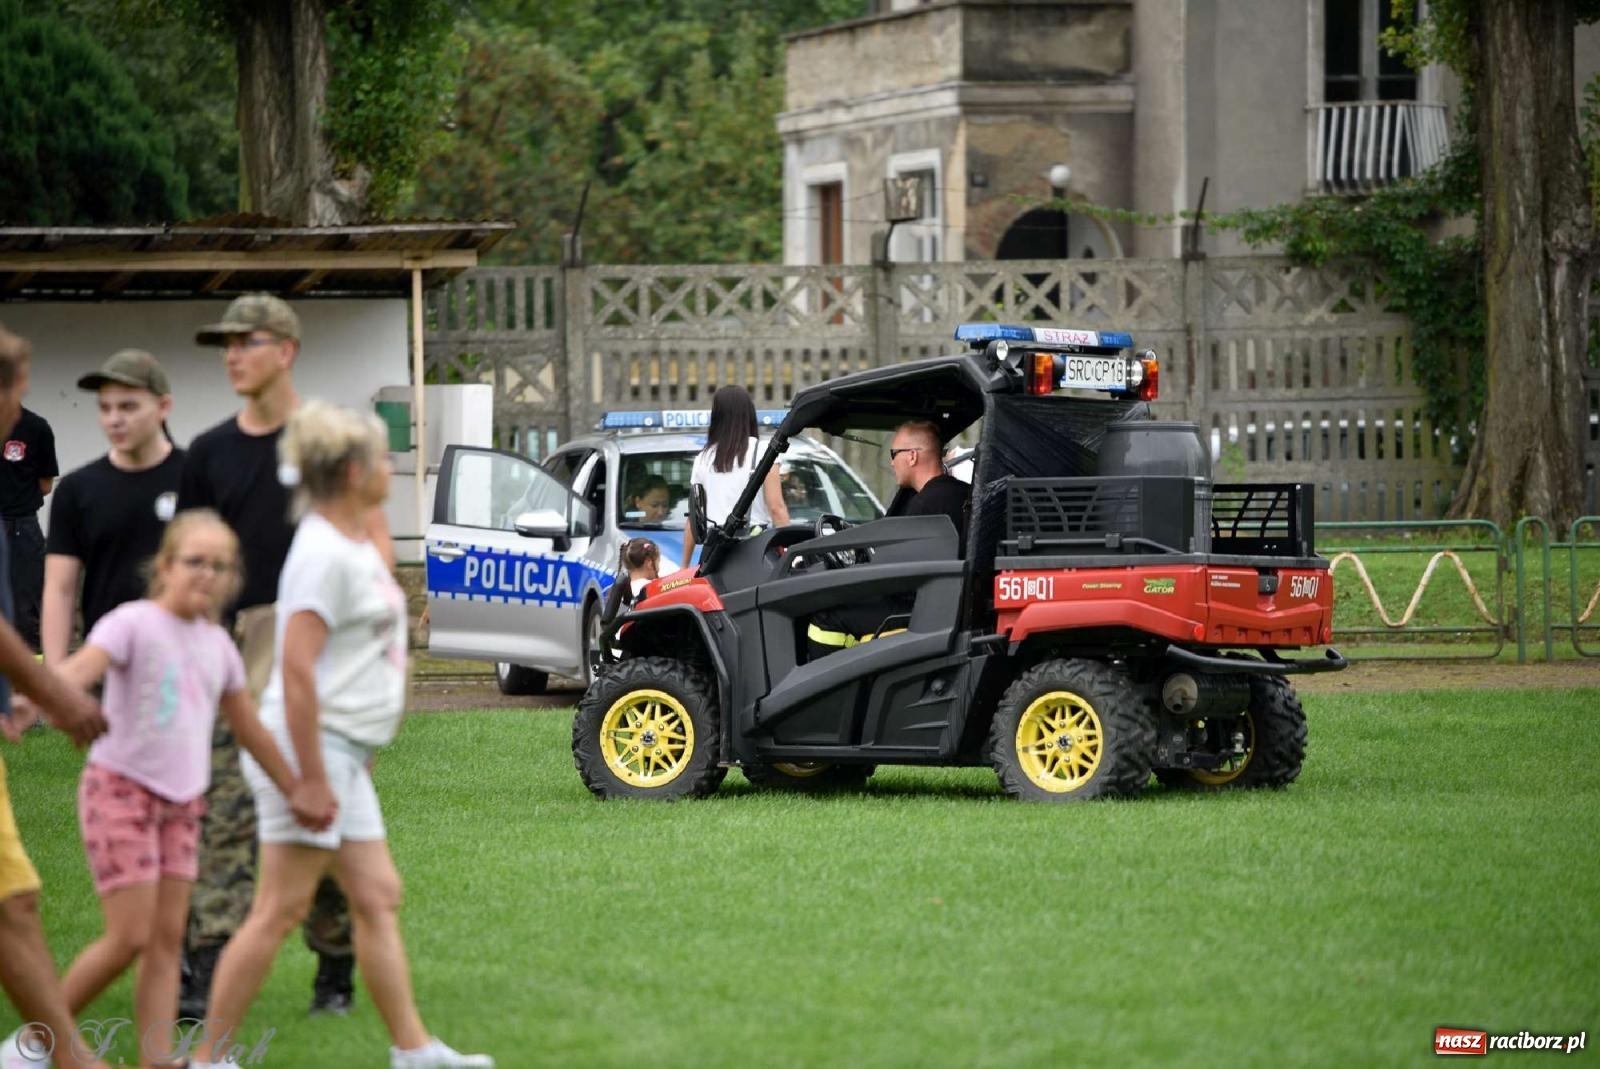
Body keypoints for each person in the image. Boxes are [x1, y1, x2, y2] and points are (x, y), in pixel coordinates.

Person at [188, 402, 491, 1069]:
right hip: (311, 750)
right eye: (382, 458)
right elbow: (296, 671)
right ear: (353, 471)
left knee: (377, 896)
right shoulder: (322, 552)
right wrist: (309, 779)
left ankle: (414, 1051)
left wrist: (358, 751)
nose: (389, 467)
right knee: (279, 908)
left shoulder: (349, 540)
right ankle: (208, 1058)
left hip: (340, 751)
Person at [10, 511, 323, 1069]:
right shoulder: (132, 623)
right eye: (195, 562)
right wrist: (38, 697)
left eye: (220, 566)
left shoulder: (219, 646)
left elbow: (250, 729)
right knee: (130, 935)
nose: (207, 574)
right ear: (165, 566)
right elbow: (81, 669)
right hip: (120, 794)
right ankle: (34, 1044)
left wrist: (296, 788)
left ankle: (156, 1060)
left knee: (167, 939)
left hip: (183, 804)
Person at [179, 294, 391, 1018]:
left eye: (249, 341)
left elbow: (375, 547)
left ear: (287, 350)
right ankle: (206, 969)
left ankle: (335, 967)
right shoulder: (208, 453)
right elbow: (190, 561)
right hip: (234, 650)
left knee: (320, 806)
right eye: (227, 344)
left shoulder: (326, 442)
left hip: (320, 654)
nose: (233, 355)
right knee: (223, 809)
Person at [0, 324, 115, 1069]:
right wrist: (58, 692)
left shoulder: (34, 440)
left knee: (14, 902)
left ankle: (66, 1056)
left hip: (20, 537)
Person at [42, 351, 184, 670]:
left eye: (128, 407)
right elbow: (60, 589)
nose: (114, 419)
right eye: (105, 408)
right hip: (106, 662)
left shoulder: (196, 477)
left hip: (184, 660)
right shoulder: (77, 489)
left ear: (163, 407)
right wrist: (55, 677)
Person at [805, 420, 970, 654]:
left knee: (826, 619)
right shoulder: (960, 493)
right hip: (943, 603)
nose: (891, 462)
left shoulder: (924, 506)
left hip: (918, 609)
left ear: (912, 456)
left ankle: (836, 675)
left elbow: (891, 571)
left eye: (894, 454)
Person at [680, 386, 790, 567]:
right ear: (749, 413)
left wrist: (683, 566)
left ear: (717, 416)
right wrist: (793, 551)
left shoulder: (703, 457)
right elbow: (776, 508)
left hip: (713, 555)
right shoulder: (763, 451)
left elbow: (693, 518)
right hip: (754, 550)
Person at [0, 356, 57, 653]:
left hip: (22, 529)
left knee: (25, 612)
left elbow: (46, 484)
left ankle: (32, 675)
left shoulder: (35, 428)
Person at [601, 537, 660, 626]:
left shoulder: (612, 592)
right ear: (649, 563)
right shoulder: (653, 591)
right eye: (658, 562)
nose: (659, 567)